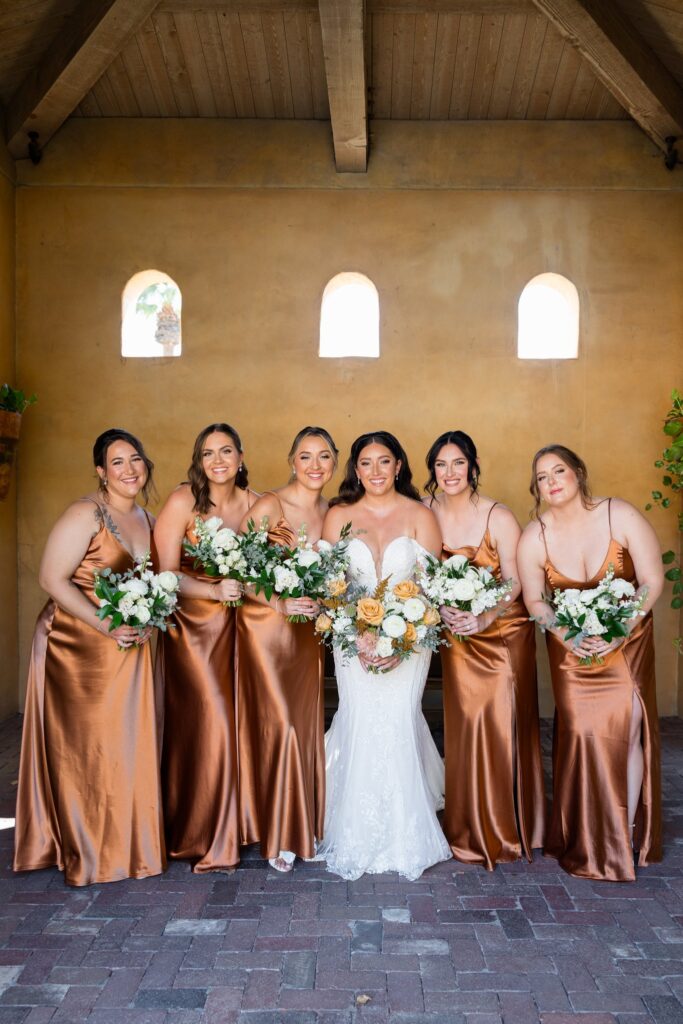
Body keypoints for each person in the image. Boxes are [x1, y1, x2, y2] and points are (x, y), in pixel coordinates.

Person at [14, 428, 165, 886]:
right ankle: (87, 845)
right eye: (117, 462)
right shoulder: (86, 514)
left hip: (128, 644)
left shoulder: (148, 517)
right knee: (84, 744)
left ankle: (125, 841)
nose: (129, 469)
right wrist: (105, 624)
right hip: (76, 643)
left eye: (135, 459)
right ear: (101, 471)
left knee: (122, 739)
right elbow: (51, 579)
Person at [518, 444, 663, 881]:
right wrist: (568, 635)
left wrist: (621, 627)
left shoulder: (620, 514)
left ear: (579, 472)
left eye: (558, 470)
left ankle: (626, 830)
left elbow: (652, 580)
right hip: (573, 651)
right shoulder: (534, 535)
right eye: (542, 477)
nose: (551, 482)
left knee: (629, 726)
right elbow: (535, 601)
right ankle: (584, 830)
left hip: (627, 641)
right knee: (583, 734)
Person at [318, 430, 451, 880]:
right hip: (351, 644)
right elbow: (330, 588)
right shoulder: (338, 516)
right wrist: (357, 637)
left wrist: (403, 641)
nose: (375, 471)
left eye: (384, 461)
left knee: (397, 719)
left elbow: (433, 593)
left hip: (410, 644)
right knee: (358, 717)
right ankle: (351, 827)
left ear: (399, 466)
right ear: (355, 470)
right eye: (366, 463)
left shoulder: (421, 516)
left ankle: (405, 832)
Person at [426, 431, 545, 869]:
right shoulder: (427, 511)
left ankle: (508, 827)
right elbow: (419, 571)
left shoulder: (498, 515)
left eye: (458, 463)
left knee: (501, 725)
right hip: (458, 633)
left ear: (473, 467)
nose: (450, 472)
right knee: (467, 726)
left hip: (502, 633)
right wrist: (442, 609)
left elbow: (515, 581)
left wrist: (485, 617)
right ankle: (468, 821)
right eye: (441, 464)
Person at [154, 423, 256, 873]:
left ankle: (232, 824)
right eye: (208, 452)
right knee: (208, 720)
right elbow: (165, 573)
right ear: (198, 460)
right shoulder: (182, 501)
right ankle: (199, 831)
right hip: (192, 628)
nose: (218, 460)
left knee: (237, 723)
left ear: (240, 456)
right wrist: (214, 593)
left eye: (226, 451)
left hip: (239, 627)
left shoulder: (255, 504)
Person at [236, 426, 338, 872]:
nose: (315, 466)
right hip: (265, 628)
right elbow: (238, 569)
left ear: (334, 463)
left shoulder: (333, 512)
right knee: (281, 726)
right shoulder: (269, 505)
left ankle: (302, 820)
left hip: (305, 635)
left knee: (304, 726)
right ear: (291, 461)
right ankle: (279, 832)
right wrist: (278, 600)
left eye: (324, 457)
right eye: (305, 457)